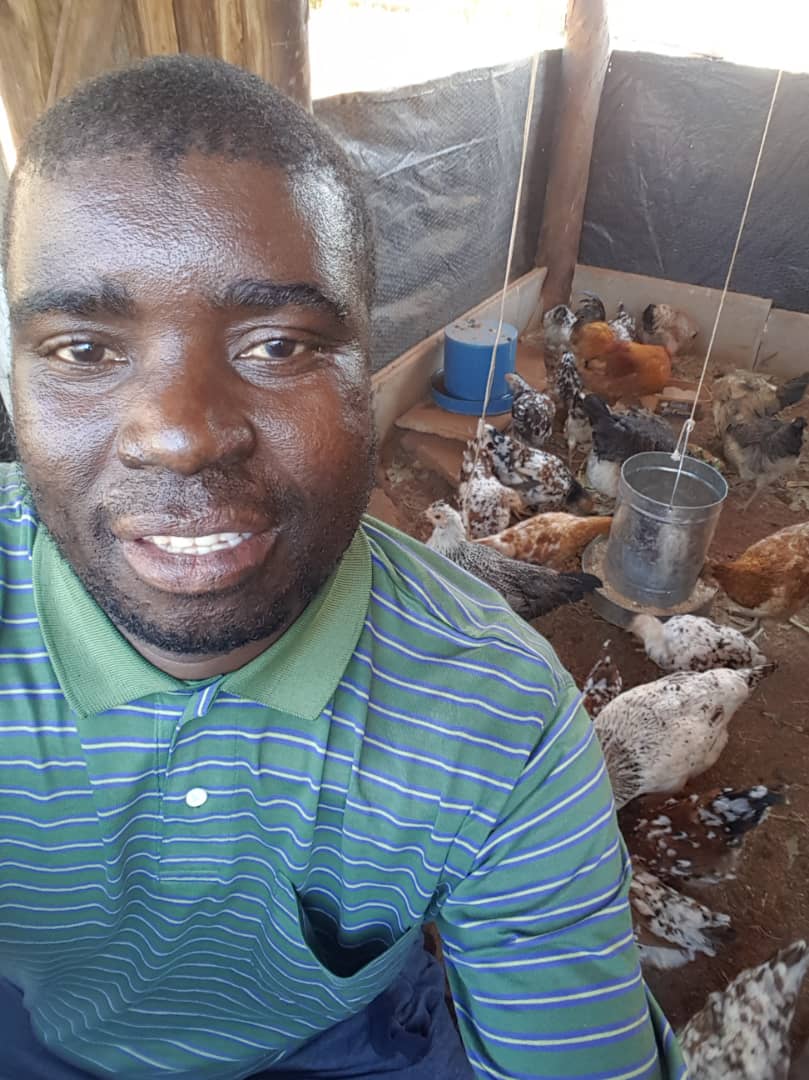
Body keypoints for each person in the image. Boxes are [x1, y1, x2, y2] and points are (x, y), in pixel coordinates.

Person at [0, 55, 685, 1080]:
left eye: (278, 344)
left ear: (369, 368)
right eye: (83, 350)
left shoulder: (500, 717)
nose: (181, 436)